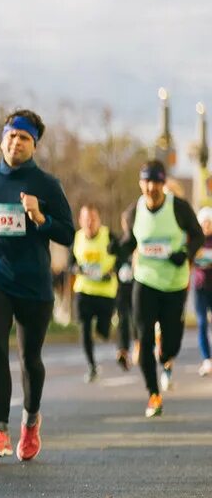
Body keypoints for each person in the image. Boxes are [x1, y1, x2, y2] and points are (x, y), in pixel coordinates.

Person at [0, 110, 74, 461]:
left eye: (24, 138)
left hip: (34, 281)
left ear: (34, 145)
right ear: (2, 139)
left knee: (29, 358)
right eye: (11, 136)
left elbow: (68, 234)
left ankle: (30, 423)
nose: (16, 142)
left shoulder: (46, 185)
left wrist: (41, 218)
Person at [120, 161, 203, 417]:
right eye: (147, 181)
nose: (151, 187)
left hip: (174, 285)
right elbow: (131, 240)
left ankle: (165, 352)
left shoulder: (178, 207)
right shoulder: (133, 212)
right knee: (143, 338)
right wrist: (117, 249)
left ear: (163, 184)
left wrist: (186, 254)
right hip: (144, 281)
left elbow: (198, 235)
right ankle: (153, 394)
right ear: (140, 183)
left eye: (156, 182)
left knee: (171, 345)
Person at [70, 205, 119, 383]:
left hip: (105, 293)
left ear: (99, 220)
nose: (89, 223)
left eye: (93, 219)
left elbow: (121, 257)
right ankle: (91, 365)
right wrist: (77, 268)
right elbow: (71, 263)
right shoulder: (76, 238)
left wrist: (112, 271)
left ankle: (104, 330)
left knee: (103, 332)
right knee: (84, 328)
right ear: (81, 221)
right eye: (86, 219)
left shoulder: (109, 237)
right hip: (84, 290)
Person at [194, 208, 212, 376]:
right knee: (202, 323)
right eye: (204, 222)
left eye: (209, 222)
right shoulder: (195, 240)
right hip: (200, 287)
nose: (207, 225)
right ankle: (207, 359)